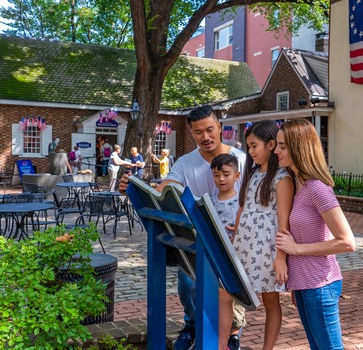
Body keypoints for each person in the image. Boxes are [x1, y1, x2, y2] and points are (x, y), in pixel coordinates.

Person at [118, 105, 247, 350]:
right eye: (198, 132)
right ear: (191, 132)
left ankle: (232, 332)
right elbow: (164, 188)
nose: (205, 137)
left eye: (210, 129)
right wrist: (132, 186)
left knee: (230, 289)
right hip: (195, 240)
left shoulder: (241, 160)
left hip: (233, 239)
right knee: (188, 282)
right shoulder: (186, 163)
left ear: (220, 127)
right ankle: (192, 324)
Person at [274, 118, 356, 350]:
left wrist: (296, 249)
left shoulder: (317, 188)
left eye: (283, 146)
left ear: (299, 147)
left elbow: (347, 242)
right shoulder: (298, 184)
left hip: (321, 285)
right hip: (305, 285)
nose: (277, 151)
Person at [233, 120, 294, 350]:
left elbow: (283, 220)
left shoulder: (282, 178)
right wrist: (234, 238)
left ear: (271, 145)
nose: (250, 151)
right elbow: (242, 209)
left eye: (254, 146)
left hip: (267, 248)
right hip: (244, 244)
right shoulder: (250, 173)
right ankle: (228, 340)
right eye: (248, 147)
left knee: (270, 301)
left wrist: (281, 257)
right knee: (230, 294)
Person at [209, 154, 247, 350]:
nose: (221, 179)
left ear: (237, 175)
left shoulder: (242, 202)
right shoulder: (211, 202)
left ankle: (234, 335)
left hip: (237, 257)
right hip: (218, 257)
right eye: (216, 175)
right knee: (221, 298)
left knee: (237, 299)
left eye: (225, 174)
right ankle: (222, 341)